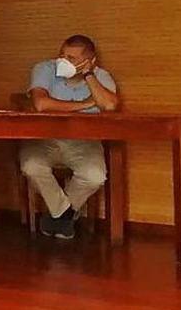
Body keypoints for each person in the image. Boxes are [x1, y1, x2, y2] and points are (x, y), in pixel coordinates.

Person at [20, 34, 120, 240]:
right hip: (45, 139)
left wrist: (88, 75)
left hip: (85, 143)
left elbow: (109, 105)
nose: (63, 62)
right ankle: (65, 215)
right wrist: (85, 104)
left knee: (95, 176)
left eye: (72, 58)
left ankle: (56, 216)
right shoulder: (44, 69)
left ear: (90, 61)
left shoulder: (101, 76)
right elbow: (41, 105)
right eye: (62, 56)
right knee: (31, 165)